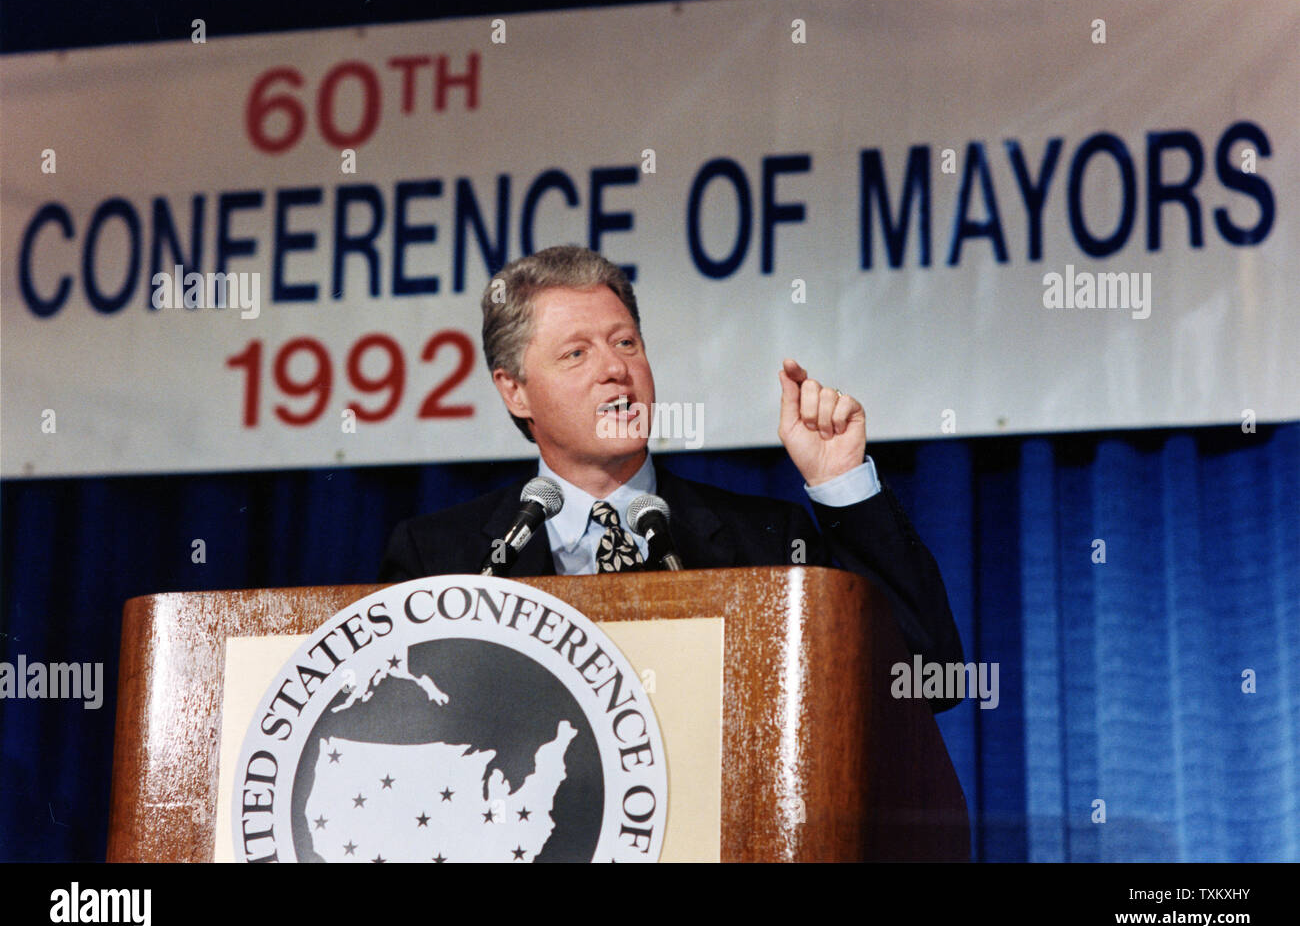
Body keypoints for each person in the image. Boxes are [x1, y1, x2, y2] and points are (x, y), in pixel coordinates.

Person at [380, 246, 963, 708]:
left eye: (626, 343)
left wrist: (843, 485)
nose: (616, 369)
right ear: (515, 389)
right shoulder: (441, 558)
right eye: (577, 354)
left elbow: (922, 676)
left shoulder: (763, 539)